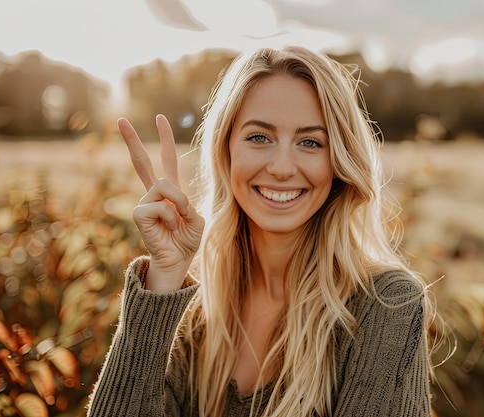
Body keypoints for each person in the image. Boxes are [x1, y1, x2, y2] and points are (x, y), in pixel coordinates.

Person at [86, 45, 434, 417]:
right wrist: (164, 278)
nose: (282, 167)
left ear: (338, 164)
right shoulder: (193, 315)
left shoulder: (386, 306)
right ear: (226, 150)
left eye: (310, 142)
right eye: (259, 137)